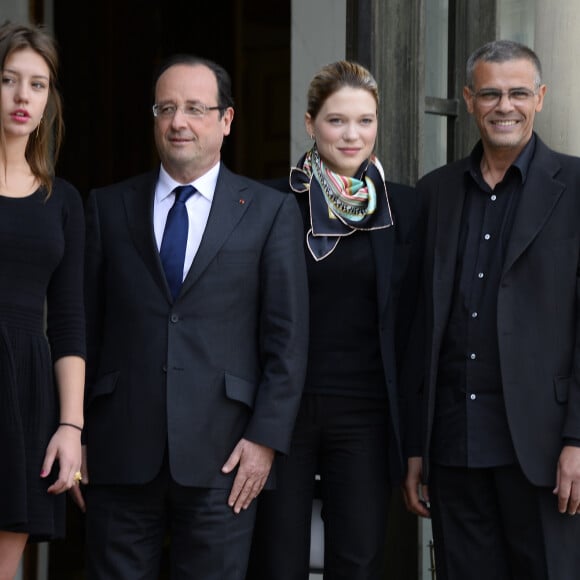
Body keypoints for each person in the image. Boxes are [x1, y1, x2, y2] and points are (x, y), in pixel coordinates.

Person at [74, 53, 309, 580]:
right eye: (166, 108)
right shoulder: (107, 208)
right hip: (118, 449)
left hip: (226, 455)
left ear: (226, 120)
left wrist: (265, 440)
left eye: (196, 109)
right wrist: (77, 431)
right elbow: (83, 327)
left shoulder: (270, 212)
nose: (179, 121)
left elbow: (287, 339)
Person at [402, 39, 580, 579]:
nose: (505, 105)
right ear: (468, 99)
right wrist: (417, 446)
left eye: (518, 93)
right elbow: (419, 327)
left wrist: (578, 439)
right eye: (490, 93)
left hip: (545, 453)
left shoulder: (576, 187)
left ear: (541, 98)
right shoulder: (435, 193)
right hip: (455, 450)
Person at [246, 60, 423, 580]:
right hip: (284, 410)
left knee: (358, 559)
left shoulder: (404, 208)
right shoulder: (271, 202)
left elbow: (414, 320)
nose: (352, 135)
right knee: (278, 559)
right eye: (336, 120)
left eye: (365, 121)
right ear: (309, 123)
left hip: (366, 411)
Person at [0, 20, 85, 580]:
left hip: (24, 387)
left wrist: (71, 428)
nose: (22, 96)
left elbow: (72, 320)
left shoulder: (63, 201)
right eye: (9, 80)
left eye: (37, 84)